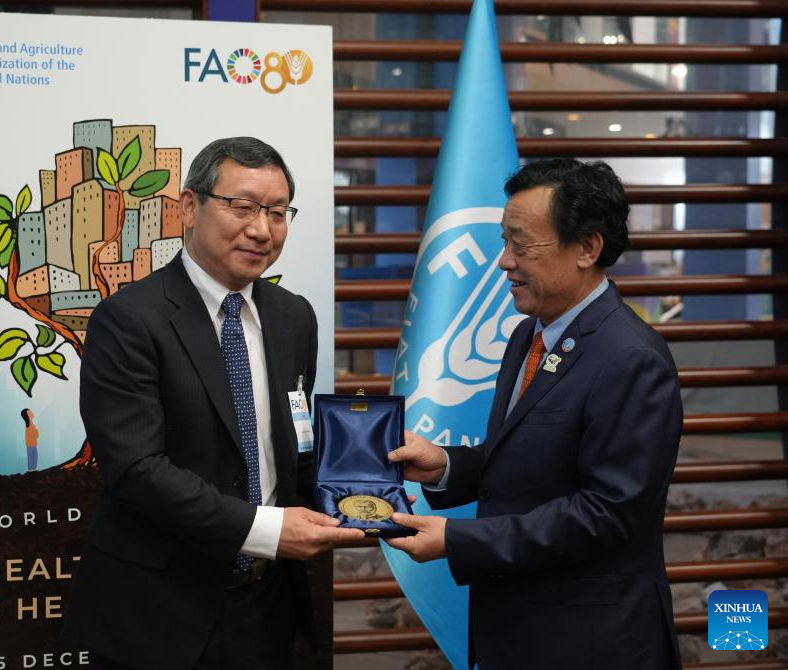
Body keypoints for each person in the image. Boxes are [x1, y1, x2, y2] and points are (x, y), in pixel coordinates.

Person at [65, 137, 363, 669]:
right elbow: (136, 470)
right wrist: (267, 530)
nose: (262, 230)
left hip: (267, 606)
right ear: (188, 207)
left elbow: (294, 444)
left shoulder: (294, 316)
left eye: (277, 213)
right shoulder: (129, 319)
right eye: (243, 207)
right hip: (159, 614)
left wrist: (366, 482)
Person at [386, 159, 683, 669]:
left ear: (587, 248)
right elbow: (529, 461)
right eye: (505, 241)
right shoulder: (530, 334)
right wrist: (444, 465)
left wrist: (458, 540)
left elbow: (606, 514)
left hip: (591, 643)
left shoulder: (632, 358)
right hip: (516, 630)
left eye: (521, 245)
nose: (504, 261)